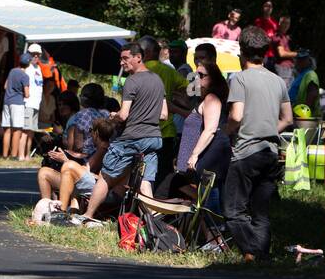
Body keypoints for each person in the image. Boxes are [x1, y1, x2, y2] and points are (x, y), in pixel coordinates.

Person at [72, 42, 166, 225]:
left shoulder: (132, 81)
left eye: (125, 58)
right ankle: (155, 223)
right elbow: (164, 114)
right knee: (145, 180)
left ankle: (88, 215)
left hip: (132, 138)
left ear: (138, 57)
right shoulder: (157, 80)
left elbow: (123, 115)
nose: (122, 62)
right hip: (153, 138)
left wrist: (113, 116)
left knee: (106, 176)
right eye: (121, 58)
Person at [224, 26, 292, 261]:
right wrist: (268, 130)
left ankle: (252, 251)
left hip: (245, 152)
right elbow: (288, 119)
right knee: (261, 211)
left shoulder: (239, 79)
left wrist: (225, 133)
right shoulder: (278, 81)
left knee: (234, 210)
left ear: (241, 51)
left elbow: (236, 116)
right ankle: (261, 256)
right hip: (271, 152)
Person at [154, 59, 231, 200]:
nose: (197, 79)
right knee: (193, 191)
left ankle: (210, 220)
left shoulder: (212, 98)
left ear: (213, 79)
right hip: (197, 156)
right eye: (196, 76)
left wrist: (194, 155)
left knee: (208, 197)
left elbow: (210, 130)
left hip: (208, 155)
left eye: (202, 76)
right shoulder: (205, 99)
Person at [139, 36, 190, 172]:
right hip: (167, 132)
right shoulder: (170, 71)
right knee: (162, 173)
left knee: (142, 173)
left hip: (144, 132)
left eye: (176, 52)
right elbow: (192, 90)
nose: (172, 55)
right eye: (171, 51)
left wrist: (174, 103)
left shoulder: (139, 70)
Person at [1, 52, 31, 160]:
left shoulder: (12, 71)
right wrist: (25, 93)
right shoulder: (25, 76)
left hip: (7, 101)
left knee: (7, 129)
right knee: (17, 129)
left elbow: (5, 86)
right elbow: (27, 94)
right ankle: (13, 155)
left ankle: (4, 155)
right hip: (17, 103)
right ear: (28, 64)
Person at [24, 43, 44, 149]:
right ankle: (21, 154)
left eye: (38, 54)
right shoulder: (27, 68)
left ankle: (27, 153)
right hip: (28, 103)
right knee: (25, 130)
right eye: (33, 54)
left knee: (31, 130)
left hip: (36, 104)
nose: (36, 56)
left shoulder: (39, 69)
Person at [289, 50, 321, 115]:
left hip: (304, 116)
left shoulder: (311, 74)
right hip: (296, 113)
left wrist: (302, 113)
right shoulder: (301, 75)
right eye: (298, 59)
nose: (298, 62)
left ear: (309, 61)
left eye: (302, 60)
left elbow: (312, 95)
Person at [270, 16, 296, 88]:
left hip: (289, 68)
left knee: (289, 93)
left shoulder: (285, 37)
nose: (286, 25)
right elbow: (281, 53)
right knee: (284, 93)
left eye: (288, 23)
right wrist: (297, 54)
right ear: (279, 23)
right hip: (283, 68)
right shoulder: (277, 37)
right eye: (284, 23)